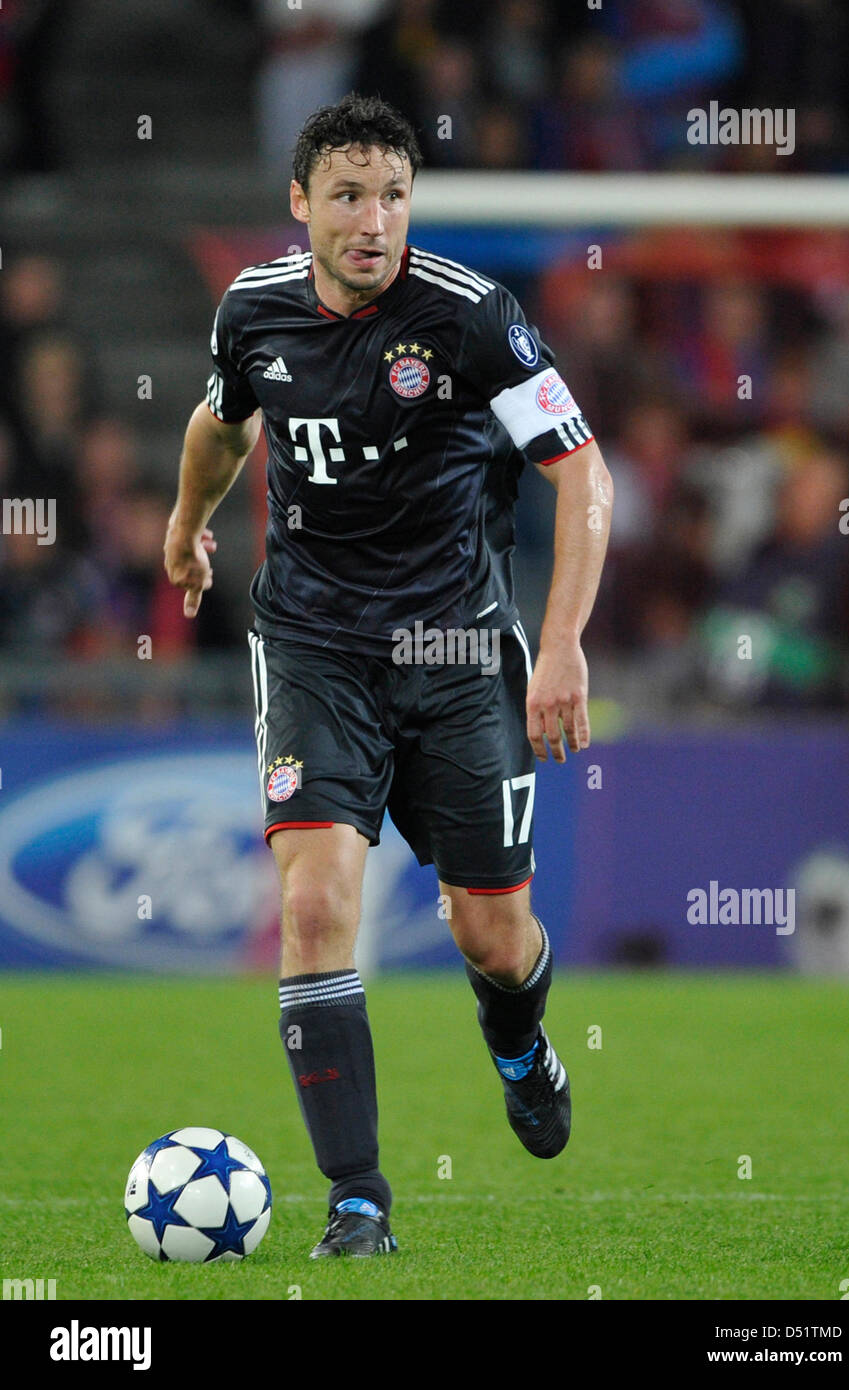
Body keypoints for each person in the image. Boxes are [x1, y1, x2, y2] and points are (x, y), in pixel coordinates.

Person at [164, 93, 613, 1259]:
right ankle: (357, 1197)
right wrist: (185, 522)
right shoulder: (253, 311)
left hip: (458, 652)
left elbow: (583, 475)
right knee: (314, 909)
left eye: (395, 196)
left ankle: (520, 1047)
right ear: (301, 204)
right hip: (312, 645)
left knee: (493, 938)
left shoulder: (472, 319)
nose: (375, 221)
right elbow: (224, 425)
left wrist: (558, 641)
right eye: (351, 196)